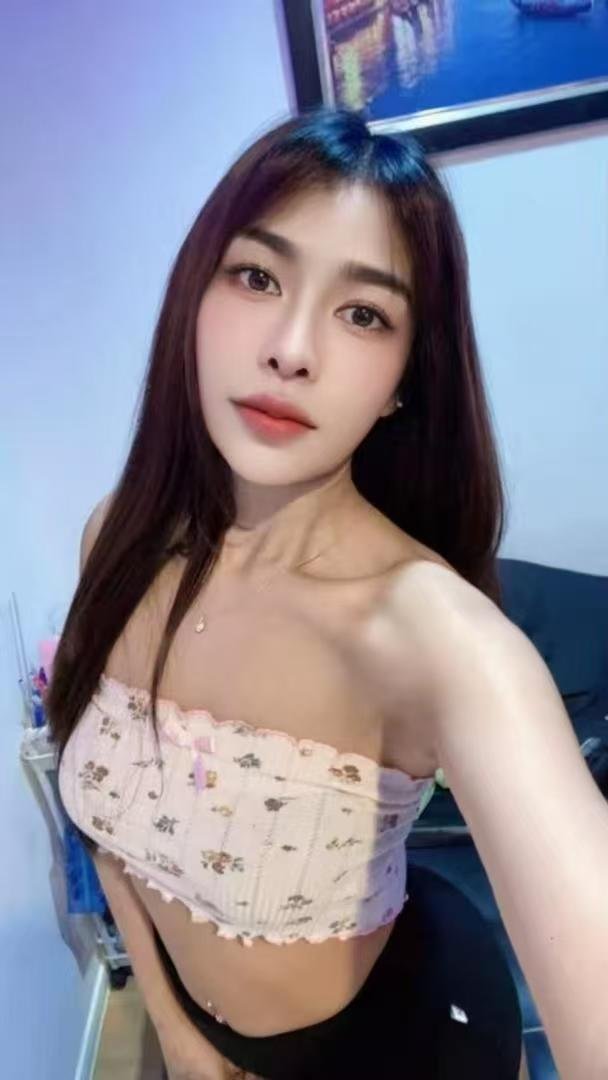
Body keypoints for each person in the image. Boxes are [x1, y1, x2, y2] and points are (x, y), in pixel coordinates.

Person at [47, 107, 608, 1080]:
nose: (291, 348)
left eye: (364, 314)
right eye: (256, 277)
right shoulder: (117, 538)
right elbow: (108, 833)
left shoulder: (434, 637)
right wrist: (175, 1033)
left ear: (402, 380)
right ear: (194, 295)